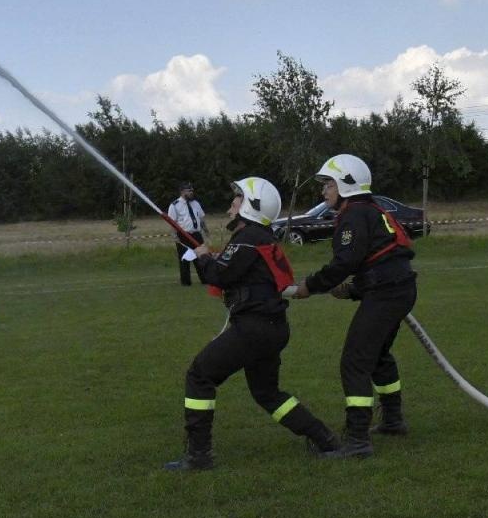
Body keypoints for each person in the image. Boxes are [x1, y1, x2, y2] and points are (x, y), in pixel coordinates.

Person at [164, 178, 340, 470]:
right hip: (270, 327)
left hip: (255, 328)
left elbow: (219, 276)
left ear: (251, 207)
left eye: (237, 200)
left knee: (200, 375)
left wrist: (203, 257)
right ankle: (324, 439)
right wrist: (203, 256)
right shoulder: (260, 237)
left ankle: (198, 456)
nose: (231, 206)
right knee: (268, 394)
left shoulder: (248, 238)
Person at [290, 154, 417, 458]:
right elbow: (377, 258)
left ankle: (357, 440)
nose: (324, 192)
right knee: (378, 356)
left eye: (329, 184)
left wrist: (311, 285)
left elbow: (345, 261)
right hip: (397, 288)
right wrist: (353, 290)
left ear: (346, 184)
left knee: (355, 361)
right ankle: (393, 420)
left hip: (387, 293)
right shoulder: (370, 210)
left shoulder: (354, 214)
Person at [166, 183, 207, 285]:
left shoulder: (196, 203)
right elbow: (172, 222)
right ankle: (186, 282)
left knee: (201, 258)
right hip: (183, 236)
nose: (192, 193)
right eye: (189, 191)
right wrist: (175, 236)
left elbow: (201, 218)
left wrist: (206, 231)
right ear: (182, 192)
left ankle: (205, 280)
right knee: (185, 259)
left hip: (196, 234)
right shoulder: (174, 205)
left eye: (192, 191)